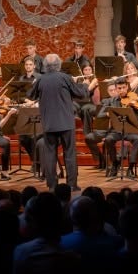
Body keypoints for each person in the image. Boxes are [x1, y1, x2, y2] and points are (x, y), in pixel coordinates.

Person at [29, 54, 88, 191]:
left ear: (45, 66)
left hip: (49, 123)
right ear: (59, 65)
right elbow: (80, 94)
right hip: (66, 123)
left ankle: (52, 185)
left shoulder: (40, 79)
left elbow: (31, 95)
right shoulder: (65, 78)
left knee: (50, 154)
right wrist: (84, 85)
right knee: (70, 153)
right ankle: (72, 185)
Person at [93, 77, 138, 180]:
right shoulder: (110, 101)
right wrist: (109, 113)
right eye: (119, 88)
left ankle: (131, 168)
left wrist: (137, 109)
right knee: (108, 139)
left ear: (127, 87)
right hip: (116, 131)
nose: (121, 90)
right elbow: (100, 114)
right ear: (116, 89)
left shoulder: (133, 100)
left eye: (124, 88)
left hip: (129, 130)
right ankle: (115, 164)